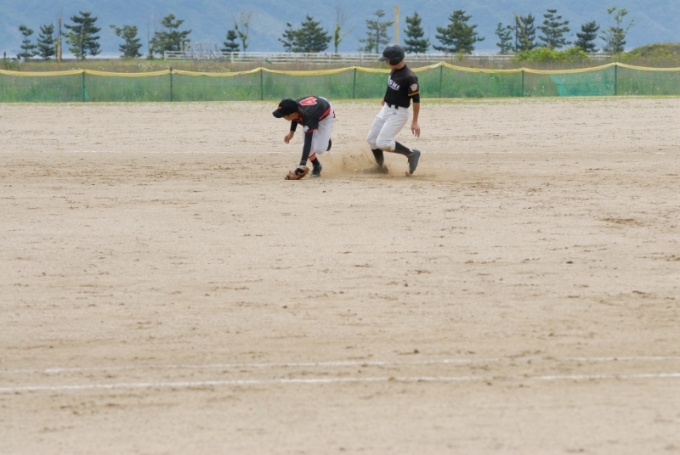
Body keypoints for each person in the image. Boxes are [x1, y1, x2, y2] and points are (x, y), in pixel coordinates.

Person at [365, 44, 422, 175]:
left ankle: (411, 153)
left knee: (382, 142)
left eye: (387, 59)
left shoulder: (410, 77)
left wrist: (415, 121)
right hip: (387, 109)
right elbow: (391, 86)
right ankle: (380, 167)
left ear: (395, 59)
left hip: (399, 113)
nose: (386, 61)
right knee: (371, 139)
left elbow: (416, 100)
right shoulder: (394, 70)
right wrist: (386, 98)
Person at [273, 96, 335, 179]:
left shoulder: (307, 116)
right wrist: (291, 132)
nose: (282, 117)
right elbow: (295, 117)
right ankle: (317, 165)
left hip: (325, 115)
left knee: (319, 149)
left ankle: (326, 141)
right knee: (307, 148)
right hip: (314, 110)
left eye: (283, 116)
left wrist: (301, 166)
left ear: (291, 114)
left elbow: (308, 144)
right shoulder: (294, 106)